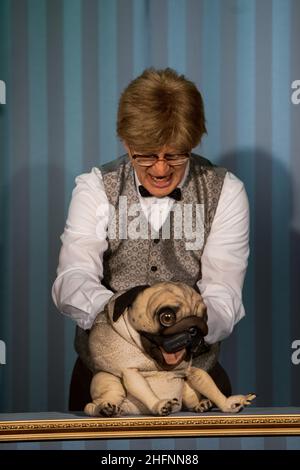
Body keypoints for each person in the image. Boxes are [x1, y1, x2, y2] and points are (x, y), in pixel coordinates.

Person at [52, 68, 249, 411]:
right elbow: (71, 280)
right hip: (105, 379)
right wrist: (125, 315)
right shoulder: (97, 186)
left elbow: (224, 294)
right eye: (145, 155)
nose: (160, 169)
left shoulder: (226, 190)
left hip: (193, 380)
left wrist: (187, 328)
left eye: (174, 155)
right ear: (126, 142)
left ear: (194, 142)